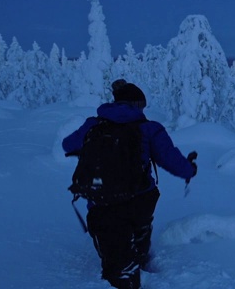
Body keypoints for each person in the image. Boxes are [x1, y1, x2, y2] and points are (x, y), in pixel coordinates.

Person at [62, 79, 197, 289]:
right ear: (136, 104)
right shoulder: (150, 128)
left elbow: (67, 144)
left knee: (114, 253)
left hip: (101, 200)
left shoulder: (93, 124)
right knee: (138, 231)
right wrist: (190, 169)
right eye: (141, 105)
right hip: (140, 199)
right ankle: (139, 256)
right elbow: (172, 161)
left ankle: (121, 268)